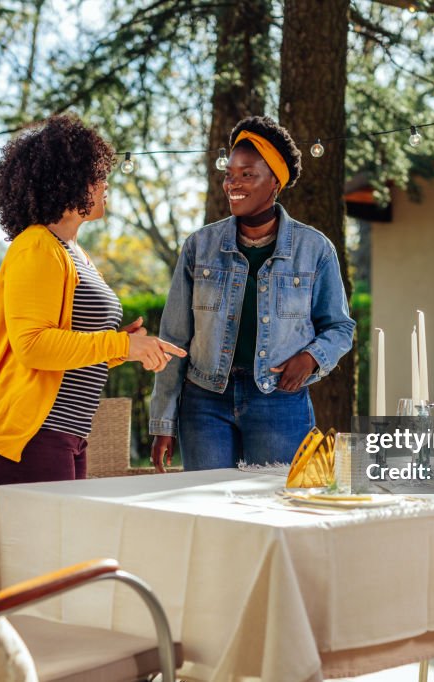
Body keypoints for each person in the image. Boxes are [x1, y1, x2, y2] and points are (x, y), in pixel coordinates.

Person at [0, 114, 185, 497]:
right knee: (54, 553)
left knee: (68, 548)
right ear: (67, 180)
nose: (106, 183)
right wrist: (118, 345)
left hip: (63, 432)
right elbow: (33, 346)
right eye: (97, 174)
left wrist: (123, 349)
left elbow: (66, 349)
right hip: (25, 435)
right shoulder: (36, 246)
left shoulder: (72, 251)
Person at [149, 115, 355, 471]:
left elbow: (340, 327)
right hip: (204, 403)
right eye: (230, 174)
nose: (234, 184)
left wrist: (310, 359)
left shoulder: (315, 250)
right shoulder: (199, 247)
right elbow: (174, 339)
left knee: (278, 507)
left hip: (280, 401)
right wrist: (164, 421)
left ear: (275, 181)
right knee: (209, 511)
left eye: (248, 174)